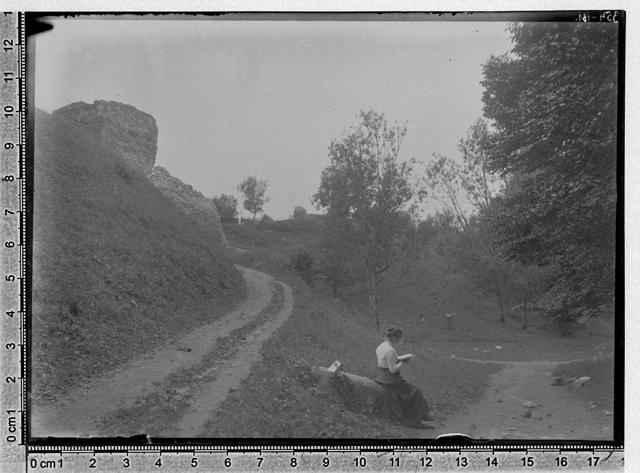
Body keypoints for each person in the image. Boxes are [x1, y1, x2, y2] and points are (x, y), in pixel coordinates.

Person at [374, 326, 433, 428]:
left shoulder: (381, 347)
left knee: (411, 389)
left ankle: (423, 414)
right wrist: (404, 362)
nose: (399, 341)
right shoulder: (390, 350)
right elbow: (393, 369)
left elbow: (392, 359)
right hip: (390, 379)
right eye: (399, 339)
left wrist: (403, 357)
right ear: (394, 338)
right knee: (415, 391)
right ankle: (416, 417)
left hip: (382, 376)